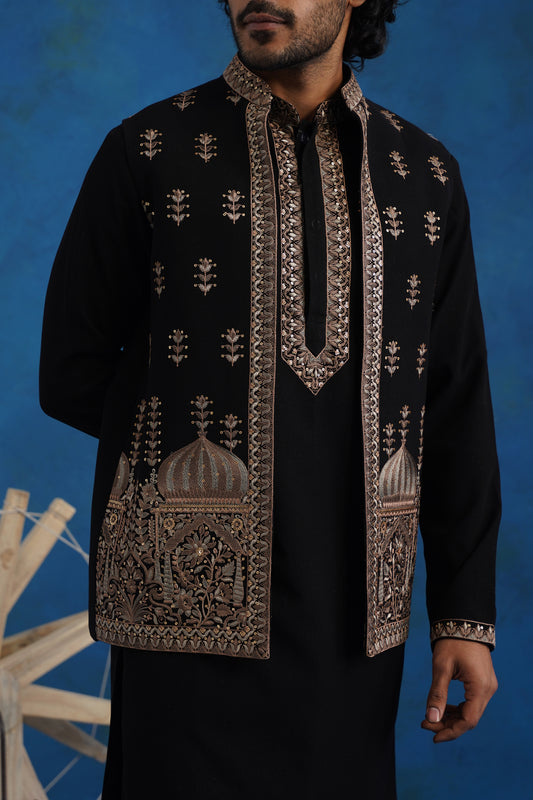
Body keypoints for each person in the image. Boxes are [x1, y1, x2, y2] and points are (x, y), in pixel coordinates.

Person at [39, 1, 501, 797]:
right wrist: (184, 443)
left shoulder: (421, 173)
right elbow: (70, 369)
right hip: (186, 604)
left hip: (352, 618)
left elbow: (452, 403)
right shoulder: (149, 149)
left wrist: (463, 617)